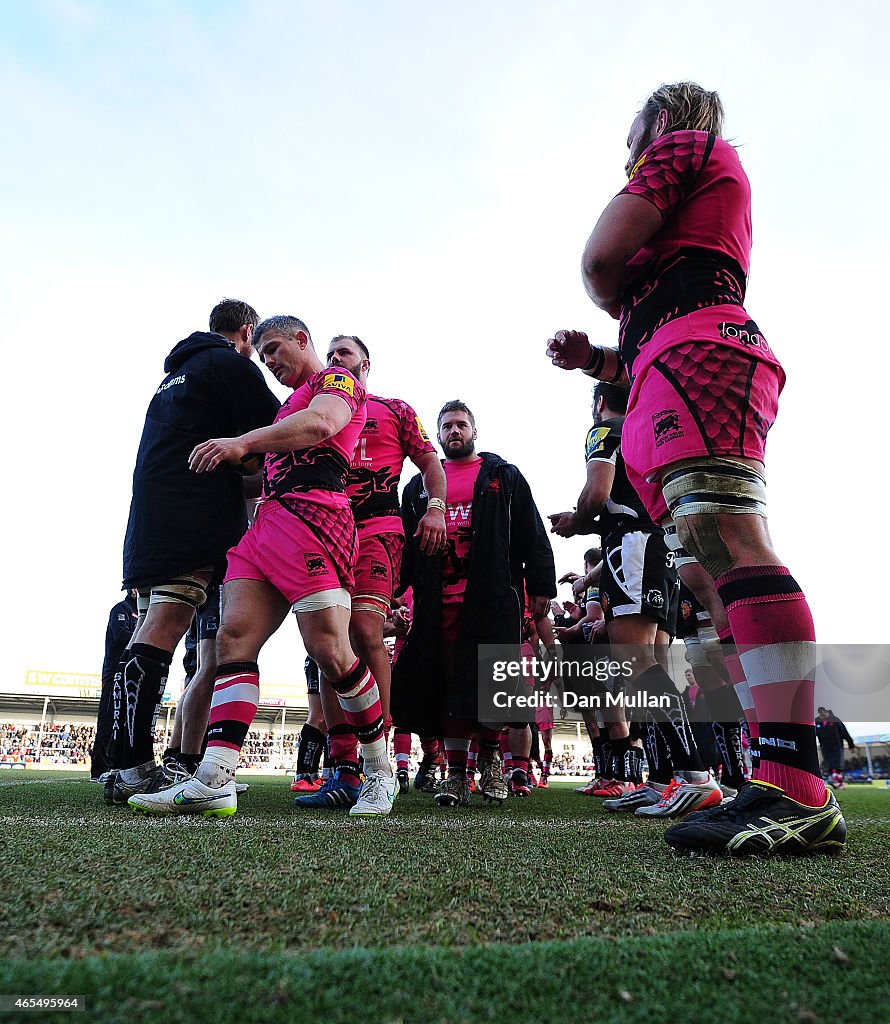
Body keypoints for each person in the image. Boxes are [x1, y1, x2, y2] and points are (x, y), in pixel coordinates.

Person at [546, 82, 845, 854]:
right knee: (710, 576)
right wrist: (599, 360)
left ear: (665, 120)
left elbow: (601, 260)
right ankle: (776, 777)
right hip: (669, 364)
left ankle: (795, 783)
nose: (627, 150)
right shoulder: (695, 201)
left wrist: (607, 291)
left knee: (731, 546)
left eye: (633, 133)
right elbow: (649, 315)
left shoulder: (686, 148)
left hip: (699, 356)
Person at [128, 314, 395, 818]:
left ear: (302, 340)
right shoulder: (283, 411)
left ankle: (380, 771)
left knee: (330, 651)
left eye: (275, 349)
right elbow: (260, 474)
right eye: (264, 353)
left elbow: (321, 425)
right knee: (233, 640)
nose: (269, 361)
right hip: (268, 524)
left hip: (317, 517)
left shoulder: (334, 382)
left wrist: (244, 442)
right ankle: (214, 779)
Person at [110, 299, 280, 805]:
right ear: (247, 333)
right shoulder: (229, 365)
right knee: (166, 626)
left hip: (150, 520)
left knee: (147, 628)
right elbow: (280, 430)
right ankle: (134, 768)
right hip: (189, 518)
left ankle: (130, 764)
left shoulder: (175, 376)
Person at [295, 335, 447, 808]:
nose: (338, 357)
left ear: (366, 362)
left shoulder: (396, 409)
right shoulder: (311, 405)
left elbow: (429, 463)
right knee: (326, 638)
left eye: (346, 351)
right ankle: (343, 769)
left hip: (379, 529)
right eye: (333, 350)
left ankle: (380, 766)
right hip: (326, 524)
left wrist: (436, 507)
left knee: (364, 629)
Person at [392, 400, 556, 808]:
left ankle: (493, 763)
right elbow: (407, 549)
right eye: (446, 426)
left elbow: (531, 532)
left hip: (492, 597)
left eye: (461, 424)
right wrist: (396, 590)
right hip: (437, 602)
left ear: (474, 431)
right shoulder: (419, 486)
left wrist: (540, 586)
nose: (454, 432)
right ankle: (456, 775)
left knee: (495, 684)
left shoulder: (503, 475)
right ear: (437, 434)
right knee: (448, 687)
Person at [91, 589, 138, 781]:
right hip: (114, 673)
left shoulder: (142, 613)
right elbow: (122, 636)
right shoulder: (121, 609)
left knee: (126, 721)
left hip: (130, 674)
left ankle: (118, 766)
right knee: (109, 718)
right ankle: (100, 770)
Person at [816, 708, 856, 785]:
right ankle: (835, 780)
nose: (822, 714)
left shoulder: (835, 720)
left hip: (837, 746)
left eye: (824, 712)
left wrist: (851, 745)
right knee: (829, 764)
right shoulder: (817, 721)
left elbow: (844, 732)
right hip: (825, 747)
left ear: (828, 712)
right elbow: (812, 733)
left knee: (838, 764)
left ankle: (839, 781)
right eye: (821, 713)